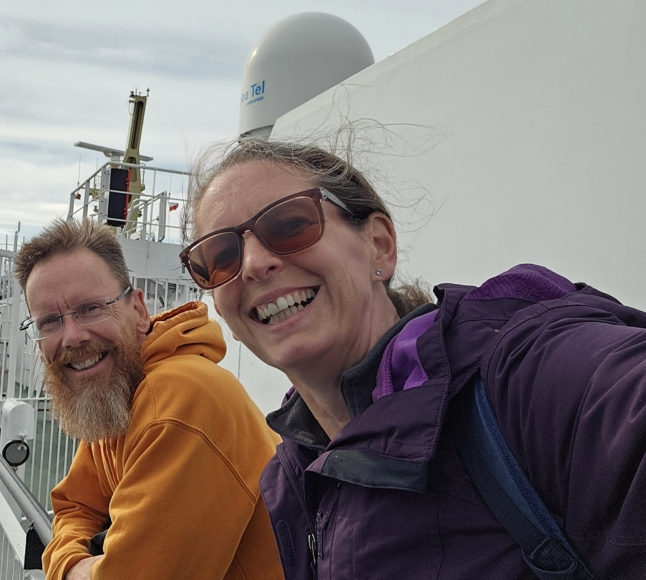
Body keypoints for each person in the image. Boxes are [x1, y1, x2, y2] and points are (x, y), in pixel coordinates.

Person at [180, 137, 646, 579]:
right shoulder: (289, 483)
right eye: (220, 256)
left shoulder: (525, 377)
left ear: (379, 246)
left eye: (290, 224)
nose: (254, 264)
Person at [13, 219, 284, 580]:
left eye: (91, 308)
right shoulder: (118, 393)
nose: (72, 336)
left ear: (139, 311)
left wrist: (74, 565)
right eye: (49, 322)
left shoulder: (178, 401)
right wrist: (74, 564)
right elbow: (75, 507)